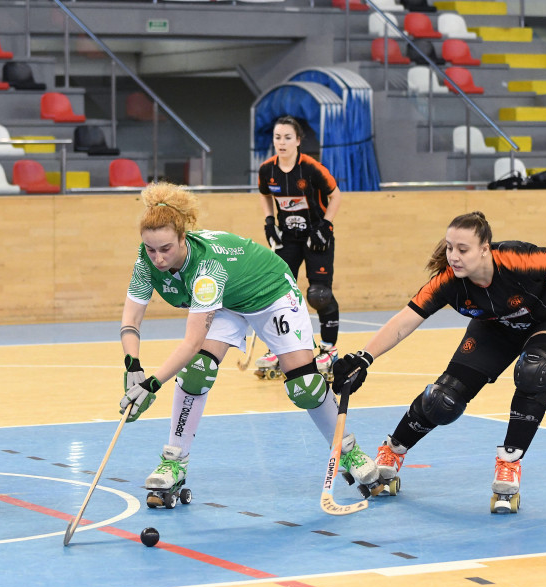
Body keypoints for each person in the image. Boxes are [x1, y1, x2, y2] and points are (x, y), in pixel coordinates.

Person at [331, 212, 546, 513]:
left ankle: (508, 464)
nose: (453, 256)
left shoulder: (517, 259)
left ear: (485, 249)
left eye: (462, 249)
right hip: (495, 329)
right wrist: (364, 357)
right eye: (449, 247)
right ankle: (393, 450)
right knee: (443, 398)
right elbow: (405, 320)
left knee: (534, 371)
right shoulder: (449, 282)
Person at [119, 182, 380, 508]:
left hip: (270, 294)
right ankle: (174, 461)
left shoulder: (206, 269)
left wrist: (151, 384)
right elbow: (131, 321)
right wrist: (133, 366)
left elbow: (191, 340)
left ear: (183, 237)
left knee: (305, 387)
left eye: (166, 249)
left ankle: (350, 452)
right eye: (151, 249)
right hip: (228, 303)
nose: (158, 258)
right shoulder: (146, 261)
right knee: (197, 372)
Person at [256, 115, 342, 378]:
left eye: (287, 138)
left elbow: (335, 194)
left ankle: (329, 349)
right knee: (278, 293)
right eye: (277, 137)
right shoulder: (267, 170)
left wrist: (326, 225)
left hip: (316, 235)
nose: (281, 143)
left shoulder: (311, 168)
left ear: (298, 141)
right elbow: (264, 194)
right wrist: (270, 222)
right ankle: (280, 347)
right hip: (288, 237)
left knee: (318, 294)